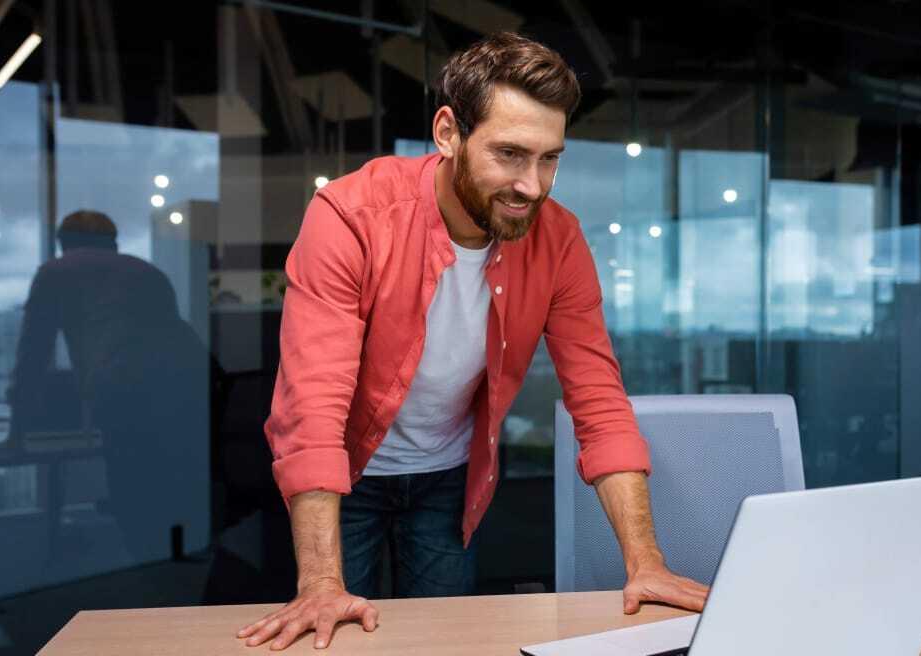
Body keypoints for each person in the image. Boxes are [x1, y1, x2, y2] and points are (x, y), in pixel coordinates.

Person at [239, 32, 708, 651]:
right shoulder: (351, 215)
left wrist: (645, 562)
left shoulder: (559, 239)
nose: (533, 185)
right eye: (510, 154)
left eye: (550, 158)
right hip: (341, 476)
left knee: (444, 643)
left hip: (449, 477)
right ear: (447, 133)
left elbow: (598, 401)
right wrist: (321, 580)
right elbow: (313, 405)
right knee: (327, 634)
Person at [10, 210, 205, 560]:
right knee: (174, 493)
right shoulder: (146, 271)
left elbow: (32, 355)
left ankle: (148, 576)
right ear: (114, 242)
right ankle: (176, 573)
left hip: (125, 391)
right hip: (190, 387)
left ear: (63, 243)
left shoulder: (55, 272)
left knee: (133, 495)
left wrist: (16, 430)